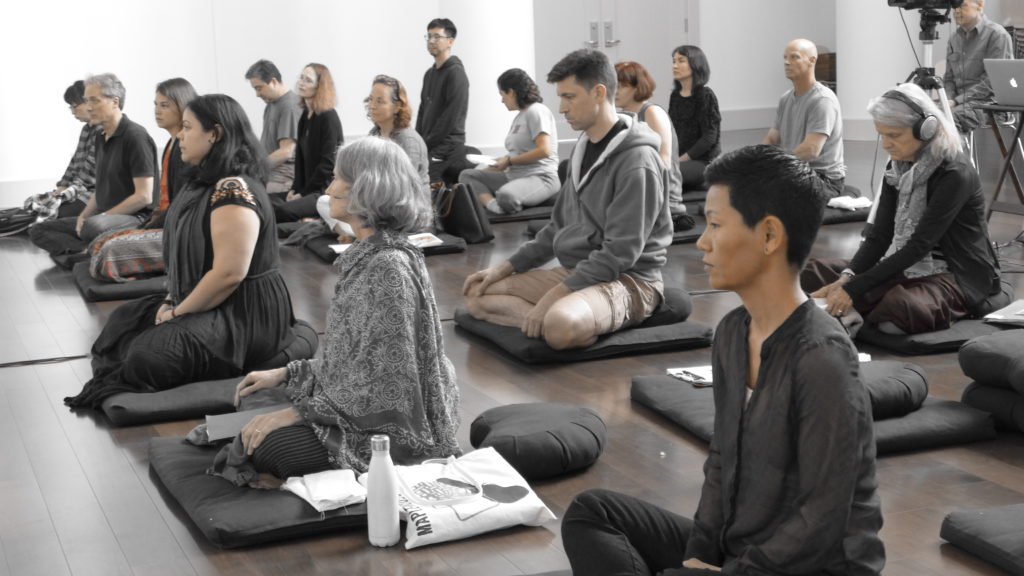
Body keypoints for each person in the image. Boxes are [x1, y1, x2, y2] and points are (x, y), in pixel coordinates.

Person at [561, 145, 885, 576]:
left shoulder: (821, 356)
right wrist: (701, 555)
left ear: (769, 236)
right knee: (592, 512)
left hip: (811, 565)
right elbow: (720, 461)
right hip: (741, 550)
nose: (702, 241)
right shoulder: (733, 332)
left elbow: (823, 518)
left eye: (715, 224)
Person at [213, 137, 461, 486]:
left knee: (270, 447)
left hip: (390, 428)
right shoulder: (369, 253)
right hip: (364, 399)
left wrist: (295, 412)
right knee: (256, 404)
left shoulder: (388, 265)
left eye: (338, 177)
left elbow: (390, 383)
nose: (329, 187)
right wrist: (285, 374)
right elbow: (357, 360)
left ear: (366, 188)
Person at [65, 94, 298, 408]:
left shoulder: (233, 189)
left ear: (214, 134)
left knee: (147, 356)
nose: (180, 135)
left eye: (188, 127)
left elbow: (230, 274)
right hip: (215, 300)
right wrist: (171, 299)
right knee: (123, 323)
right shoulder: (205, 180)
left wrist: (177, 312)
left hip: (245, 312)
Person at [463, 49, 671, 351]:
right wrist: (504, 268)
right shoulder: (582, 149)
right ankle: (550, 323)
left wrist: (554, 296)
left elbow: (620, 253)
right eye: (560, 97)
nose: (561, 108)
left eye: (569, 97)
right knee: (476, 294)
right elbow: (555, 229)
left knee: (560, 325)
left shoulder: (638, 160)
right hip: (581, 272)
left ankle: (558, 323)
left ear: (599, 92)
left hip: (629, 280)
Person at [802, 83, 1007, 335]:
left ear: (926, 129)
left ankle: (854, 311)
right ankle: (854, 311)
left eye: (894, 135)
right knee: (813, 272)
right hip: (909, 266)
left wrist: (853, 289)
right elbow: (879, 236)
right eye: (882, 135)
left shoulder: (955, 173)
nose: (887, 144)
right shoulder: (897, 167)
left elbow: (918, 246)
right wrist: (847, 277)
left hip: (955, 272)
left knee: (898, 310)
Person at [29, 73, 157, 256]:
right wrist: (84, 216)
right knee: (38, 230)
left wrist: (104, 217)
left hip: (132, 217)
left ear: (115, 101)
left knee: (92, 226)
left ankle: (90, 250)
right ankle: (88, 251)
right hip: (101, 217)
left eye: (94, 101)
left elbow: (144, 197)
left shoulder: (135, 136)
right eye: (87, 101)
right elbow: (101, 189)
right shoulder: (100, 136)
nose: (88, 107)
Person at [86, 78, 197, 282]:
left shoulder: (187, 148)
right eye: (156, 105)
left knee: (108, 251)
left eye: (165, 105)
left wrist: (146, 227)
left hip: (179, 229)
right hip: (162, 221)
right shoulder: (171, 145)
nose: (157, 111)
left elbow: (180, 205)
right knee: (98, 243)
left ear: (183, 107)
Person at [316, 74, 428, 242]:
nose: (372, 106)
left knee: (348, 205)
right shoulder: (373, 134)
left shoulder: (408, 140)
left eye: (380, 101)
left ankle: (356, 234)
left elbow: (401, 189)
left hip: (401, 210)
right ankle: (355, 233)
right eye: (370, 99)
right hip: (375, 200)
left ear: (397, 106)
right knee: (325, 201)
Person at [458, 68, 559, 215]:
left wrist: (509, 161)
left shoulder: (537, 111)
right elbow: (517, 153)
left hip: (541, 177)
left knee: (506, 195)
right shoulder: (520, 116)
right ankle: (495, 207)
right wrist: (499, 163)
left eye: (502, 94)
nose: (502, 100)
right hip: (513, 175)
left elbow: (544, 150)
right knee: (467, 175)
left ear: (511, 92)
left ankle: (517, 200)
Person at [762, 39, 846, 197]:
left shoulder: (822, 100)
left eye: (794, 57)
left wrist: (775, 167)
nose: (787, 62)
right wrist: (755, 160)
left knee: (767, 192)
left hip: (823, 179)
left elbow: (811, 150)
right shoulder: (785, 98)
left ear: (812, 60)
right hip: (794, 170)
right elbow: (772, 139)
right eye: (785, 57)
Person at [615, 60, 690, 227]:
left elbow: (664, 162)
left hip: (661, 201)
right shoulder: (622, 117)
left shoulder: (652, 112)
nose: (615, 91)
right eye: (613, 85)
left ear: (637, 87)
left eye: (621, 86)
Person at [23, 80, 103, 222]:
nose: (72, 112)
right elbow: (74, 163)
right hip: (78, 189)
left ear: (88, 103)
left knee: (53, 215)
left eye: (74, 106)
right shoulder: (86, 129)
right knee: (34, 205)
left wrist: (66, 191)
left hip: (93, 195)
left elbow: (90, 173)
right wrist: (62, 186)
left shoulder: (102, 130)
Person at [273, 63, 343, 223]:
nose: (301, 82)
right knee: (266, 201)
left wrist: (303, 194)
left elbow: (327, 164)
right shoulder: (305, 115)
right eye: (301, 77)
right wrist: (294, 189)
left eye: (308, 80)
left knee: (280, 211)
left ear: (320, 87)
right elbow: (300, 160)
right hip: (306, 190)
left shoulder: (328, 117)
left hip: (323, 191)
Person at [943, 0, 1014, 133]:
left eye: (963, 5)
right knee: (921, 116)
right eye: (955, 7)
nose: (957, 11)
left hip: (989, 106)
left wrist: (955, 102)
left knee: (947, 119)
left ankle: (954, 154)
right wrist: (947, 100)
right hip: (958, 104)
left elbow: (992, 82)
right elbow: (948, 78)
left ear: (980, 6)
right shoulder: (954, 38)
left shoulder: (997, 35)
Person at [417, 17, 469, 184]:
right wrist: (418, 142)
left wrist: (426, 144)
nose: (431, 41)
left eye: (437, 36)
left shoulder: (455, 73)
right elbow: (422, 110)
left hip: (447, 148)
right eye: (429, 36)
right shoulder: (429, 74)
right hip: (428, 146)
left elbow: (449, 118)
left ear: (450, 41)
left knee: (429, 190)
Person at [668, 45, 721, 191]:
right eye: (673, 61)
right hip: (679, 159)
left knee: (665, 174)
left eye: (681, 61)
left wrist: (679, 160)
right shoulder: (675, 96)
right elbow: (672, 131)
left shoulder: (705, 96)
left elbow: (709, 138)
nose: (675, 65)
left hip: (702, 162)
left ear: (695, 64)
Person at [245, 59, 302, 193]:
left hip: (282, 177)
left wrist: (256, 168)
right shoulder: (271, 105)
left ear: (274, 82)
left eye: (259, 88)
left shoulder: (290, 107)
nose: (257, 94)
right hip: (270, 173)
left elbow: (286, 151)